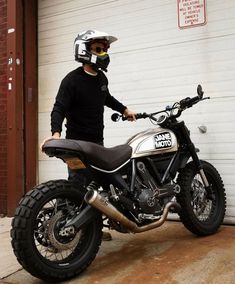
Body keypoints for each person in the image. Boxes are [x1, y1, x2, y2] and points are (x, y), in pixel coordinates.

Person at [41, 29, 136, 241]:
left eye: (105, 49)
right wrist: (56, 133)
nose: (104, 54)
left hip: (97, 142)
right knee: (76, 186)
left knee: (97, 186)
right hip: (76, 143)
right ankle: (66, 229)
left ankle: (93, 230)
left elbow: (106, 98)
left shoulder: (101, 78)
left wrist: (124, 110)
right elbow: (59, 108)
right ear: (84, 51)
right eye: (99, 49)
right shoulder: (72, 80)